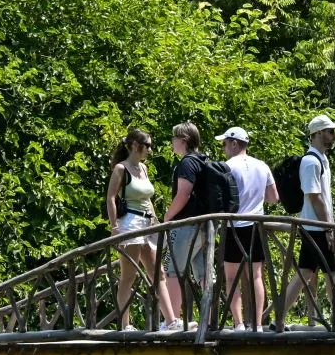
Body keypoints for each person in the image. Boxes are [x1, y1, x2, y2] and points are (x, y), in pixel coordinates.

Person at [281, 115, 335, 332]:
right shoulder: (311, 162)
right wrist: (329, 228)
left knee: (304, 274)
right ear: (318, 133)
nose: (334, 136)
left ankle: (278, 320)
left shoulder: (321, 160)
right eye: (330, 131)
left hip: (314, 228)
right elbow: (315, 197)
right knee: (332, 275)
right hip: (317, 229)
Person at [106, 129, 179, 331]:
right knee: (129, 276)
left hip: (147, 224)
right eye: (146, 145)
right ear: (133, 145)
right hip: (130, 224)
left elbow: (147, 199)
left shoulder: (144, 168)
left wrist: (156, 221)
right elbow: (111, 198)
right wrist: (114, 227)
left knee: (158, 273)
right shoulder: (121, 168)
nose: (149, 149)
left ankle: (170, 321)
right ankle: (125, 325)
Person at [217, 126, 278, 331]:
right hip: (255, 226)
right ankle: (258, 324)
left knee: (231, 278)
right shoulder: (262, 166)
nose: (224, 148)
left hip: (233, 226)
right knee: (257, 276)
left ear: (234, 143)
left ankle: (239, 323)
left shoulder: (227, 167)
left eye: (225, 144)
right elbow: (273, 198)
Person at [163, 122, 212, 327]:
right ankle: (209, 320)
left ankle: (173, 321)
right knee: (203, 274)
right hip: (204, 225)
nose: (172, 142)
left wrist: (167, 217)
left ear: (183, 140)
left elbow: (183, 194)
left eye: (174, 138)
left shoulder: (187, 163)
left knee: (171, 271)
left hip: (185, 225)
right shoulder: (204, 160)